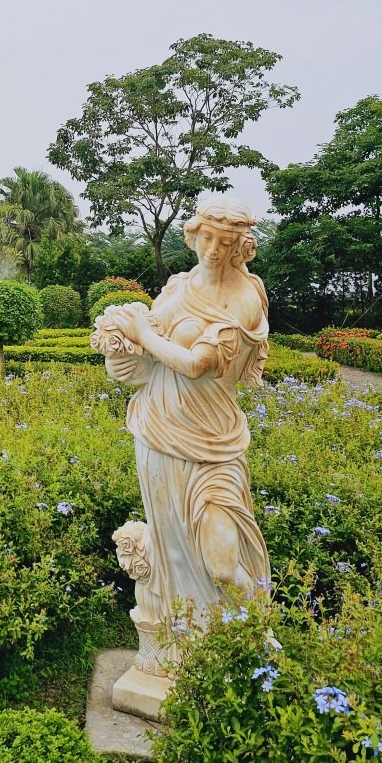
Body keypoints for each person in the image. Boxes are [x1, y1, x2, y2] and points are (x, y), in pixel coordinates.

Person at [96, 197, 272, 657]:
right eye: (206, 238)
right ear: (194, 235)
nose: (213, 250)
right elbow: (150, 352)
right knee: (171, 544)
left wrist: (144, 333)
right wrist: (122, 349)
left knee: (220, 560)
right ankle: (180, 648)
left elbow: (197, 364)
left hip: (213, 442)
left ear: (240, 246)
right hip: (158, 427)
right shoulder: (180, 284)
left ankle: (254, 634)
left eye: (225, 242)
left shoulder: (245, 298)